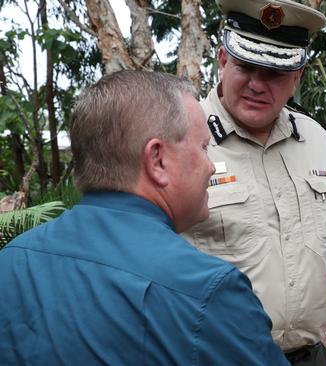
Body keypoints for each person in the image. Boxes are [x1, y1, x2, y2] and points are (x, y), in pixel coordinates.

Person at [0, 70, 289, 365]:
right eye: (203, 148)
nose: (211, 167)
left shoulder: (11, 261)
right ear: (157, 160)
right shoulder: (208, 293)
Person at [182, 0, 326, 364]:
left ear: (297, 78)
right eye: (246, 66)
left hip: (311, 355)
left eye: (274, 73)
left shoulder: (316, 139)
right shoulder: (181, 137)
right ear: (223, 60)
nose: (258, 85)